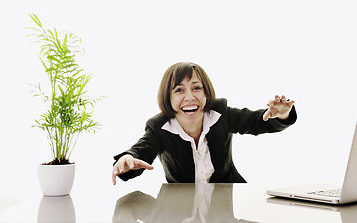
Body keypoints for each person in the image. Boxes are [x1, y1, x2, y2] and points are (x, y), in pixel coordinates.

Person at [112, 62, 297, 184]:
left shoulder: (220, 114)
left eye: (196, 88)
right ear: (167, 98)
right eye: (179, 90)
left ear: (206, 93)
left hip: (228, 202)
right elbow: (140, 152)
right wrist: (126, 160)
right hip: (182, 209)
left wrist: (281, 115)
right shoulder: (159, 127)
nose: (190, 97)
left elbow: (258, 121)